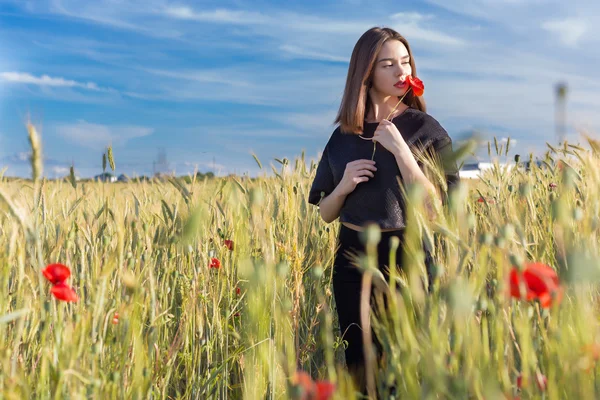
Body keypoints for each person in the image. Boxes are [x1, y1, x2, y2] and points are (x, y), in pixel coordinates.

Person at [307, 27, 460, 396]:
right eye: (388, 64)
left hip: (405, 254)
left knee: (407, 361)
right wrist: (343, 186)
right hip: (351, 258)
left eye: (405, 62)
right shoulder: (344, 135)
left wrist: (402, 152)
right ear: (367, 73)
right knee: (361, 365)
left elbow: (438, 211)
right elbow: (326, 213)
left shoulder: (426, 129)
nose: (400, 71)